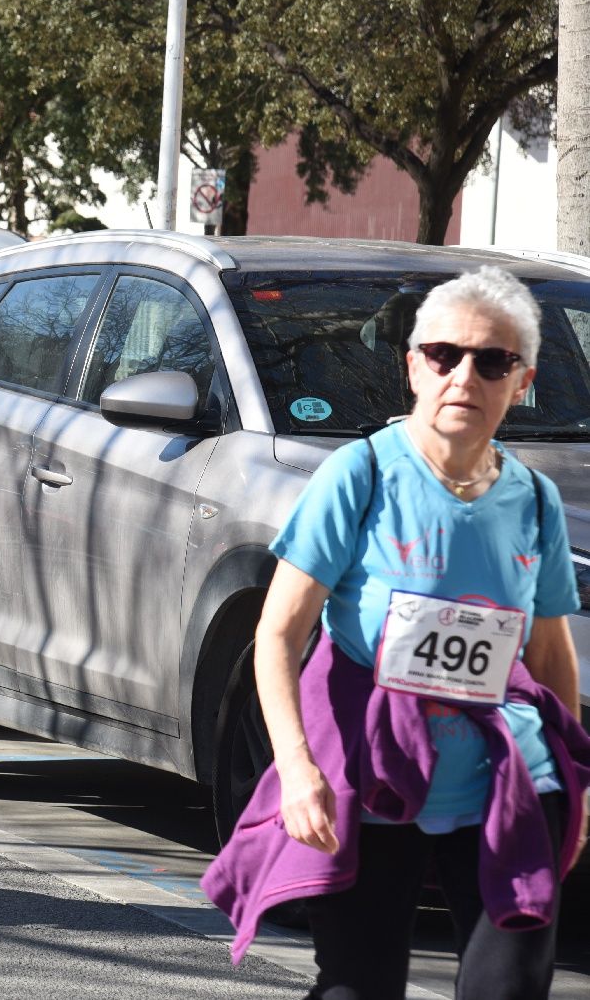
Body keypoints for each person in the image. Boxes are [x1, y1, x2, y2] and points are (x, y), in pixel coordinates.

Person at [204, 266, 590, 999]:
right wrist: (295, 765)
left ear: (523, 379)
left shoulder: (533, 501)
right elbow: (280, 633)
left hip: (505, 780)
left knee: (510, 988)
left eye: (492, 360)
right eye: (445, 355)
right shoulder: (361, 474)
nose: (464, 376)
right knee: (358, 984)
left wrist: (574, 780)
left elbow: (547, 652)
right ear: (414, 364)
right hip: (371, 769)